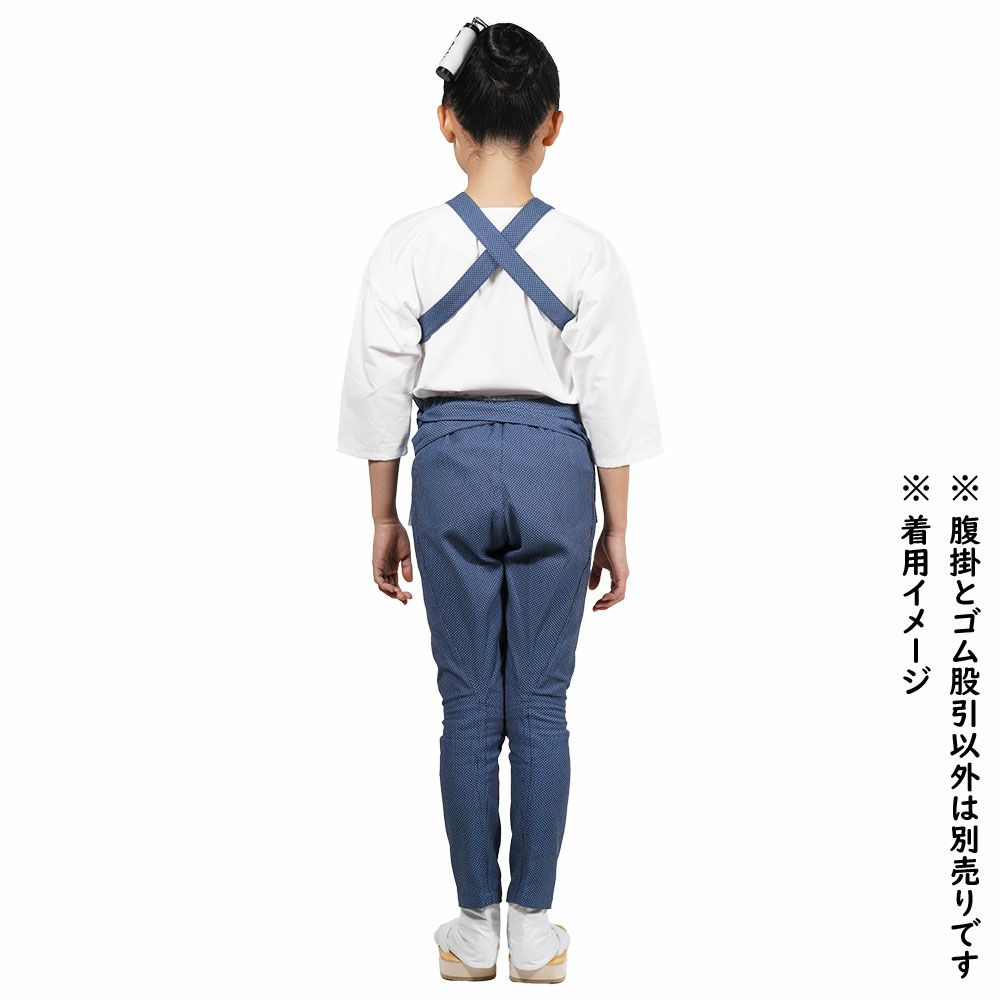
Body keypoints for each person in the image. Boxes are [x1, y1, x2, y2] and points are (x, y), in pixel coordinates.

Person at [337, 20, 663, 984]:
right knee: (544, 705)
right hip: (559, 471)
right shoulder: (588, 253)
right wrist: (618, 526)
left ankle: (474, 929)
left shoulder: (406, 245)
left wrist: (382, 515)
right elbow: (613, 401)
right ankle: (535, 930)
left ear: (447, 120)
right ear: (552, 124)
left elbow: (379, 390)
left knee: (470, 703)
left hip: (447, 470)